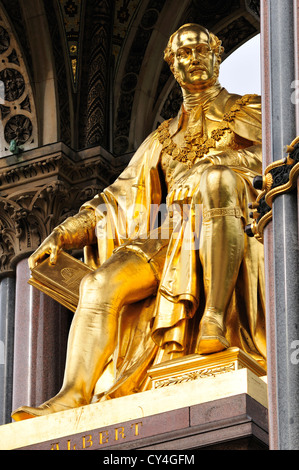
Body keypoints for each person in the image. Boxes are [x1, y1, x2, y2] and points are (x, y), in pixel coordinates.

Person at [12, 24, 266, 421]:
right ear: (173, 66)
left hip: (230, 224)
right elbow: (116, 199)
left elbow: (272, 163)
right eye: (183, 54)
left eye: (201, 49)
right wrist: (64, 232)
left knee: (216, 182)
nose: (193, 58)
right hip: (168, 232)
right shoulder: (161, 139)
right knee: (98, 284)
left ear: (217, 56)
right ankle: (73, 394)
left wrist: (215, 165)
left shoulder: (249, 110)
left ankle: (214, 319)